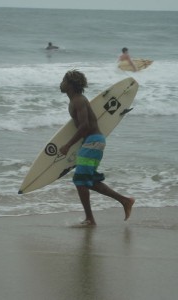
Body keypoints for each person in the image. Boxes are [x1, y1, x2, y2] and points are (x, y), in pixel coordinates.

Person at [59, 70, 135, 226]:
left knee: (80, 181)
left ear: (70, 84)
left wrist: (68, 145)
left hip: (93, 142)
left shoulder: (78, 101)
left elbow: (85, 126)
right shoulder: (76, 100)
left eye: (63, 80)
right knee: (88, 181)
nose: (61, 83)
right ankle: (125, 201)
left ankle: (90, 219)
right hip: (93, 142)